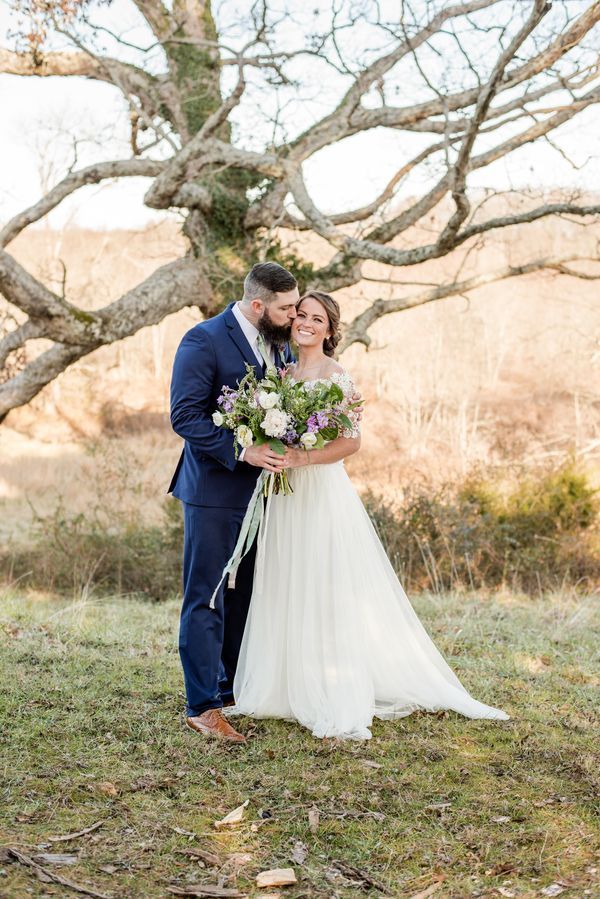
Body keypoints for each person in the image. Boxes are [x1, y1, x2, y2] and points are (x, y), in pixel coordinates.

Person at [230, 291, 510, 740]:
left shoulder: (337, 376)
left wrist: (302, 459)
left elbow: (351, 442)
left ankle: (329, 686)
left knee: (323, 582)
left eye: (316, 318)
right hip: (283, 495)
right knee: (286, 577)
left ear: (329, 329)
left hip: (319, 491)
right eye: (300, 314)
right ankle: (279, 686)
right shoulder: (279, 371)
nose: (305, 322)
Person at [169, 262, 298, 744]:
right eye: (286, 308)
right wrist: (240, 450)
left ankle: (228, 689)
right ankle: (201, 705)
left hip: (264, 493)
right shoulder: (203, 339)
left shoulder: (278, 342)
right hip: (214, 491)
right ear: (258, 304)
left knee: (245, 596)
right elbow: (184, 416)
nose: (293, 315)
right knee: (208, 596)